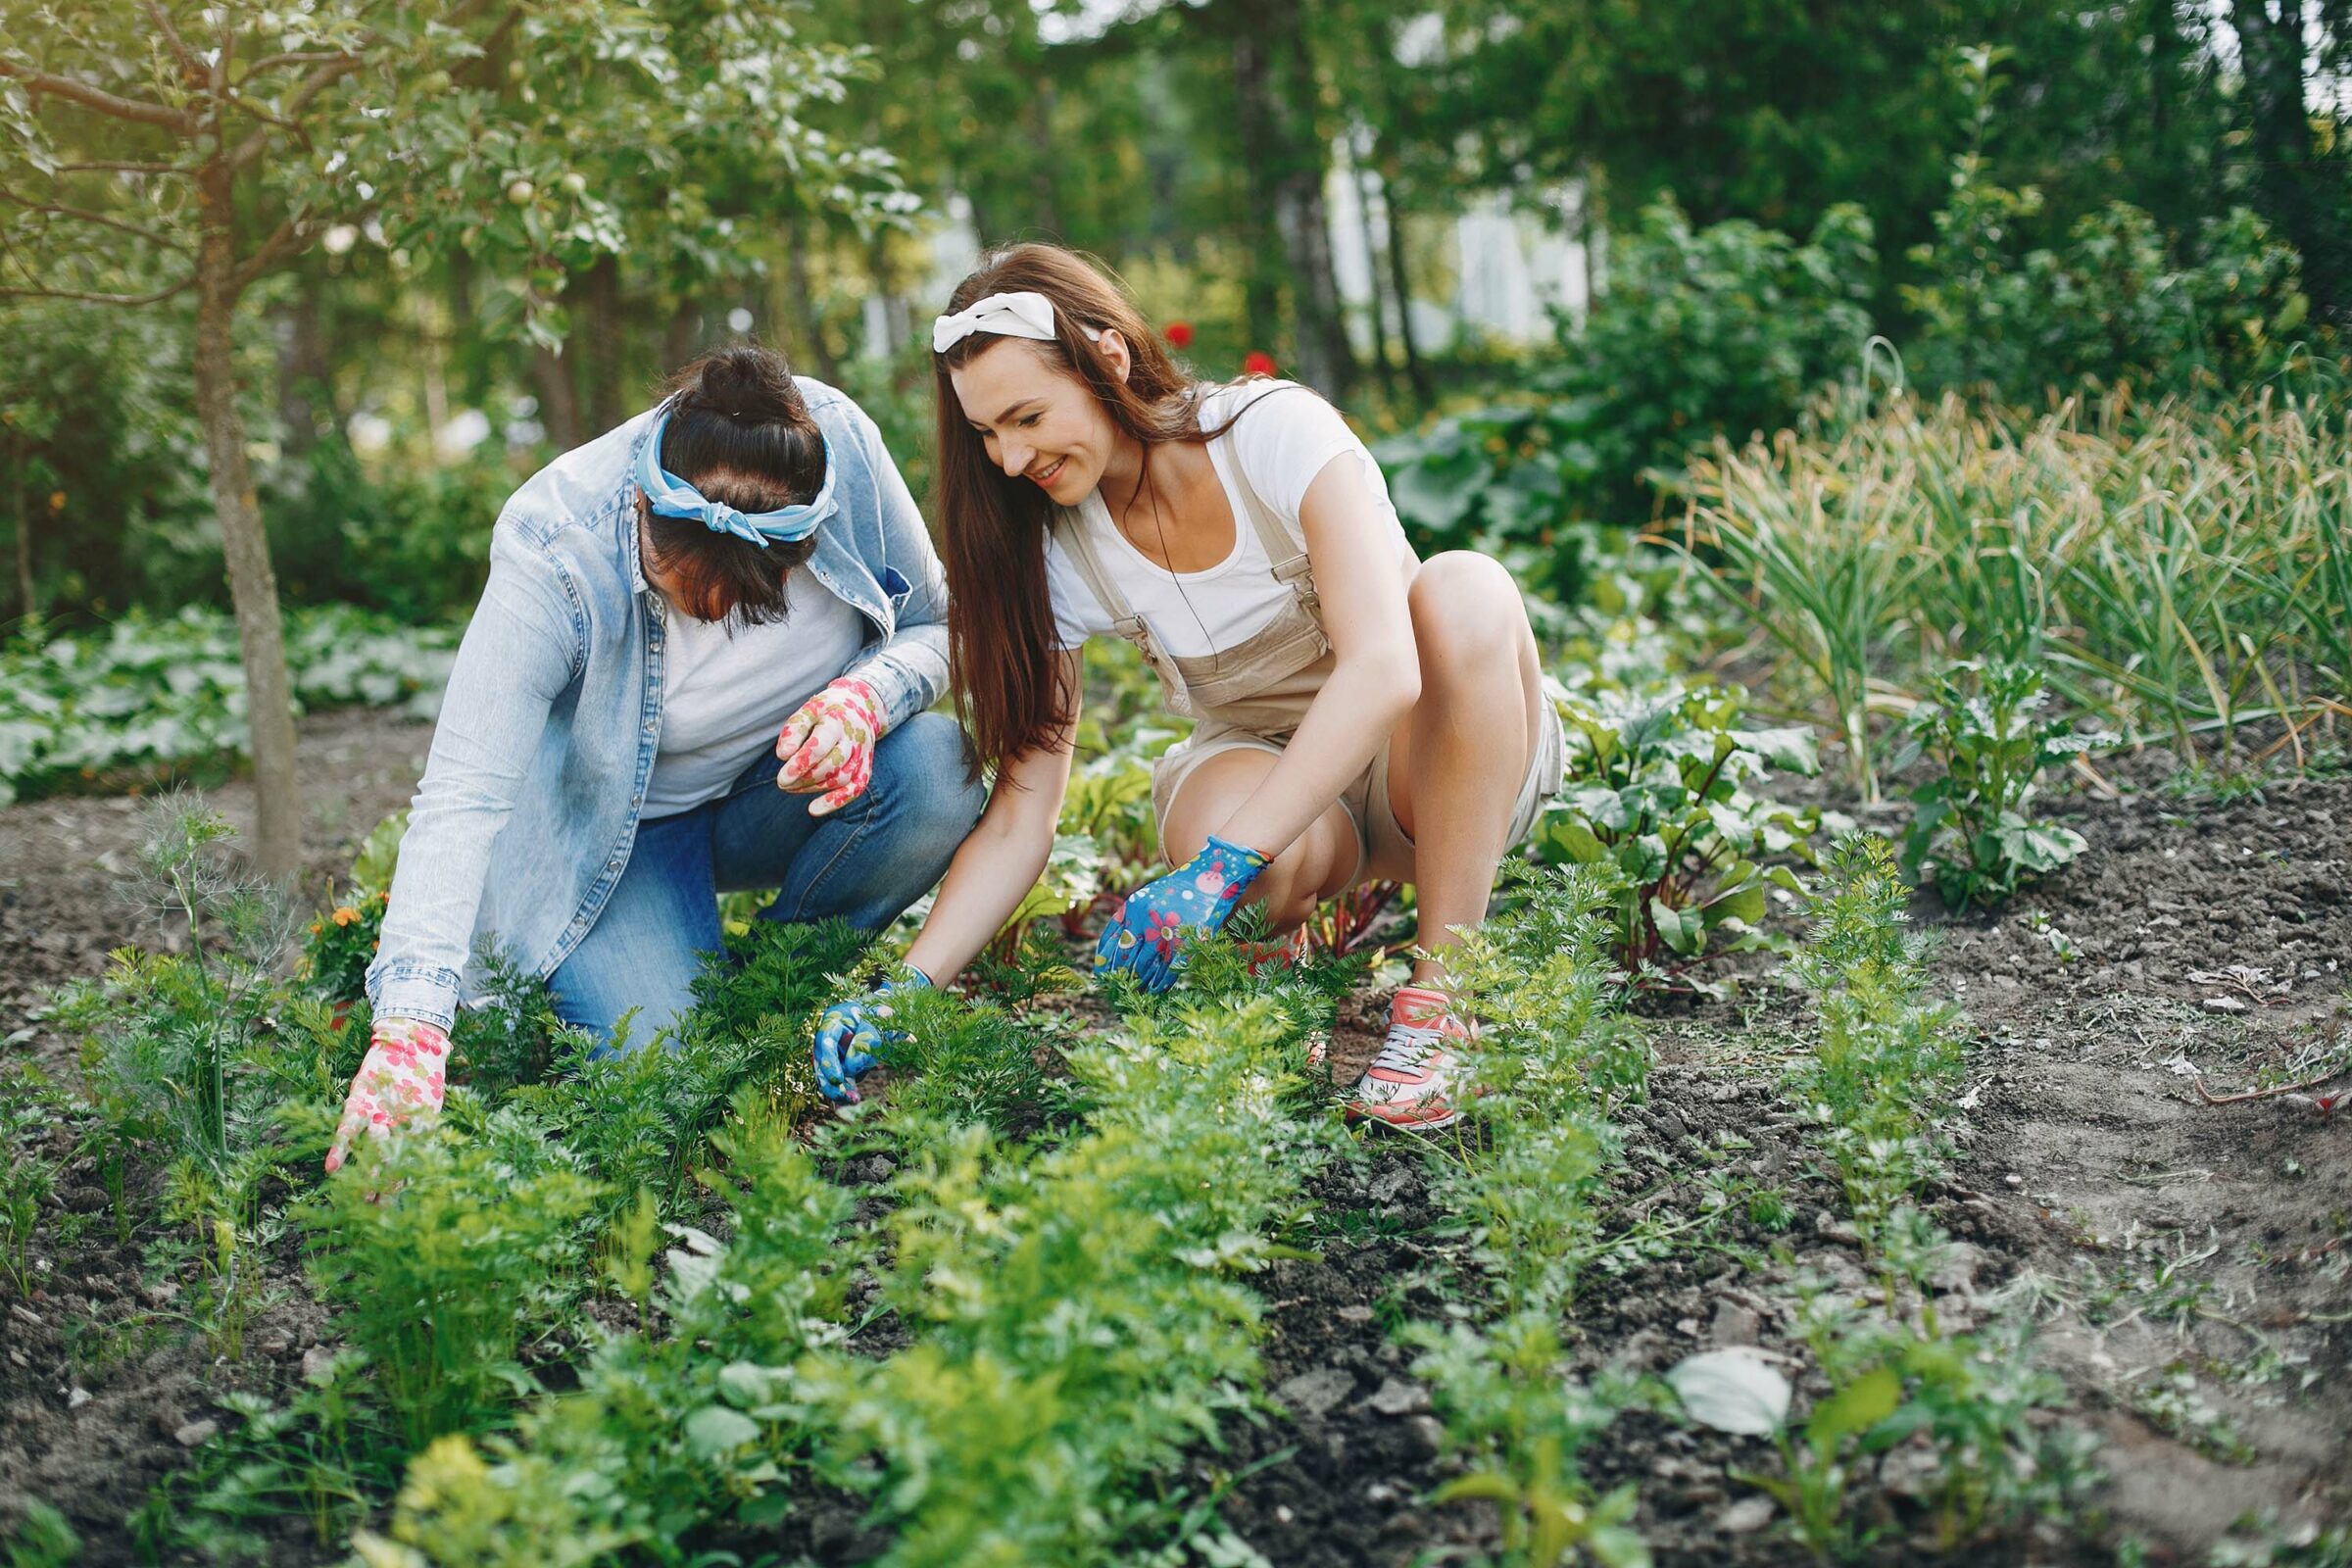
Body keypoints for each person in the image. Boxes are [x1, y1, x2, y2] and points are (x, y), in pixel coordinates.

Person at [814, 245, 1563, 1131]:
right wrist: (910, 984)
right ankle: (1277, 1002)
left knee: (1465, 590)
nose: (1010, 459)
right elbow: (1022, 813)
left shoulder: (1273, 434)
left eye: (1026, 416)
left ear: (1109, 360)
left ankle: (1441, 1009)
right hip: (1291, 800)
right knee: (1215, 814)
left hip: (1432, 766)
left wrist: (1221, 864)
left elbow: (1386, 668)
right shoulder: (1059, 553)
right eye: (987, 434)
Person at [325, 346, 986, 1172]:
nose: (718, 621)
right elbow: (462, 792)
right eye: (689, 596)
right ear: (640, 506)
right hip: (615, 836)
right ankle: (685, 980)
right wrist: (412, 1030)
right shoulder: (553, 546)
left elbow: (940, 624)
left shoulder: (836, 449)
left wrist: (867, 697)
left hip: (774, 795)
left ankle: (775, 988)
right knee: (666, 1084)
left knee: (938, 769)